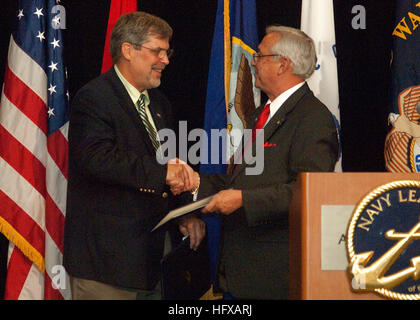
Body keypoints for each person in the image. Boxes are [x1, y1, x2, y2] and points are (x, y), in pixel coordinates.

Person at [63, 12, 204, 300]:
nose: (165, 60)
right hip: (107, 265)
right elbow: (96, 159)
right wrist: (163, 173)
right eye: (157, 51)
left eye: (168, 51)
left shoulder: (159, 103)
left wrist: (184, 214)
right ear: (128, 50)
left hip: (152, 260)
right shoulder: (95, 98)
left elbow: (168, 162)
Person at [199, 25, 339, 299]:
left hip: (274, 274)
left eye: (259, 56)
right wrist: (195, 185)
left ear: (282, 64)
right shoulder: (261, 114)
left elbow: (307, 191)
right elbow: (242, 179)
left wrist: (243, 200)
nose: (252, 61)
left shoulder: (313, 119)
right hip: (244, 266)